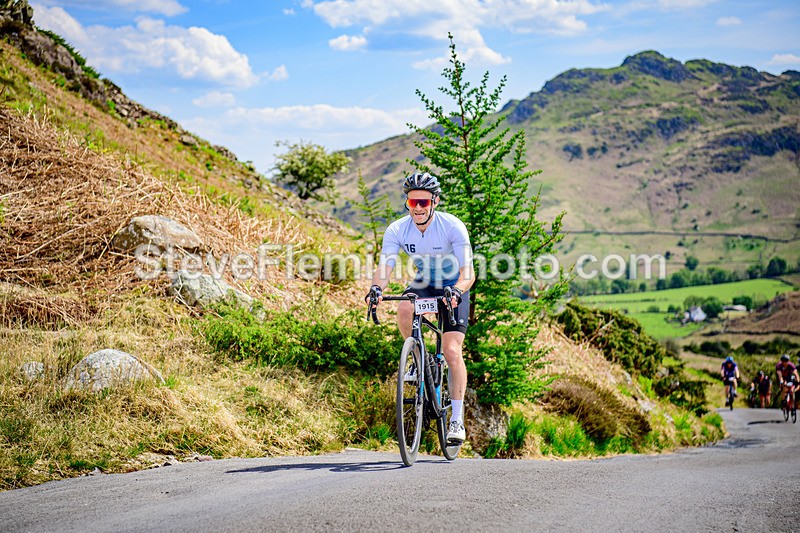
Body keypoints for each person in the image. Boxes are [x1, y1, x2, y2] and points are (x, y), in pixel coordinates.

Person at [366, 172, 474, 443]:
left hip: (453, 285)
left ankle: (457, 420)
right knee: (404, 307)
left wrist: (457, 292)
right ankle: (417, 358)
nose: (417, 208)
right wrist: (376, 289)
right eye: (412, 202)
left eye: (423, 203)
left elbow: (468, 272)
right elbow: (385, 266)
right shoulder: (397, 229)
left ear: (435, 202)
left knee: (451, 351)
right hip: (425, 281)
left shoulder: (452, 226)